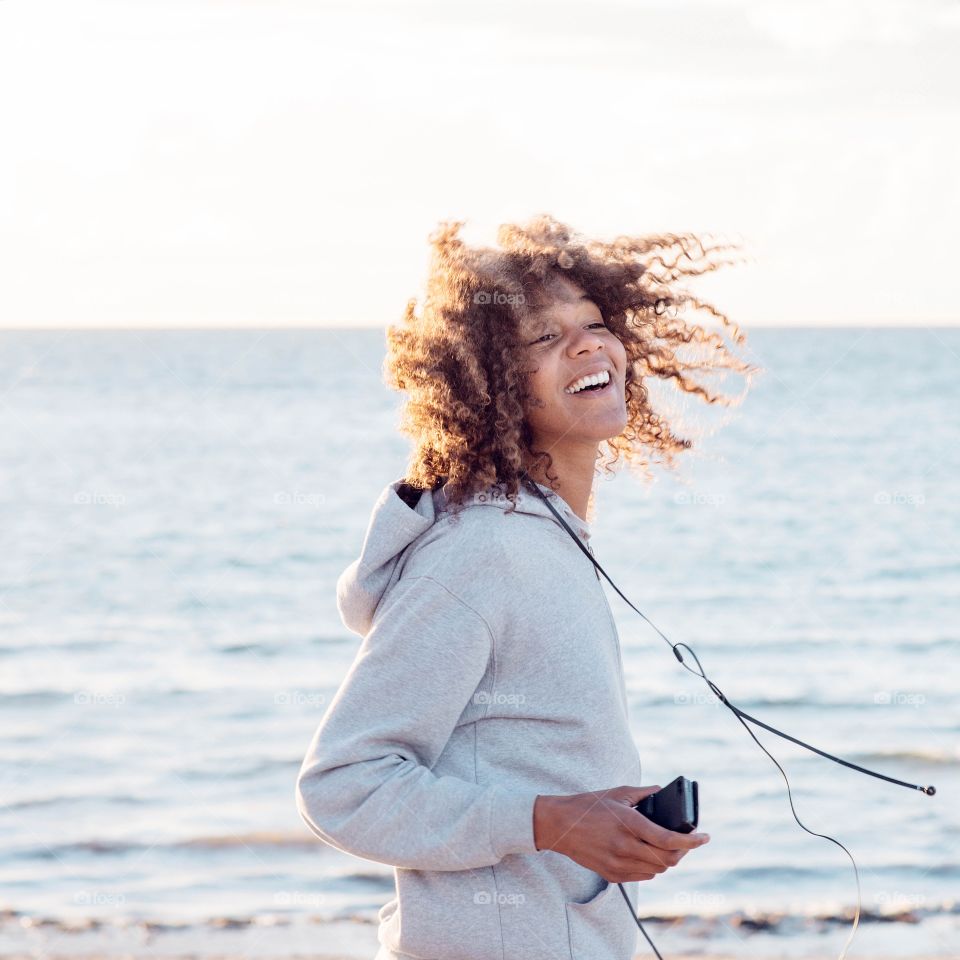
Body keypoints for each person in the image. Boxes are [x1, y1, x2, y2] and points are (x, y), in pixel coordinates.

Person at [295, 215, 758, 959]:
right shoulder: (484, 553)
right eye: (545, 337)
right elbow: (344, 786)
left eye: (595, 323)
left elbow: (526, 761)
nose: (587, 344)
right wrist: (552, 821)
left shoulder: (548, 538)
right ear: (492, 386)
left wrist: (591, 817)